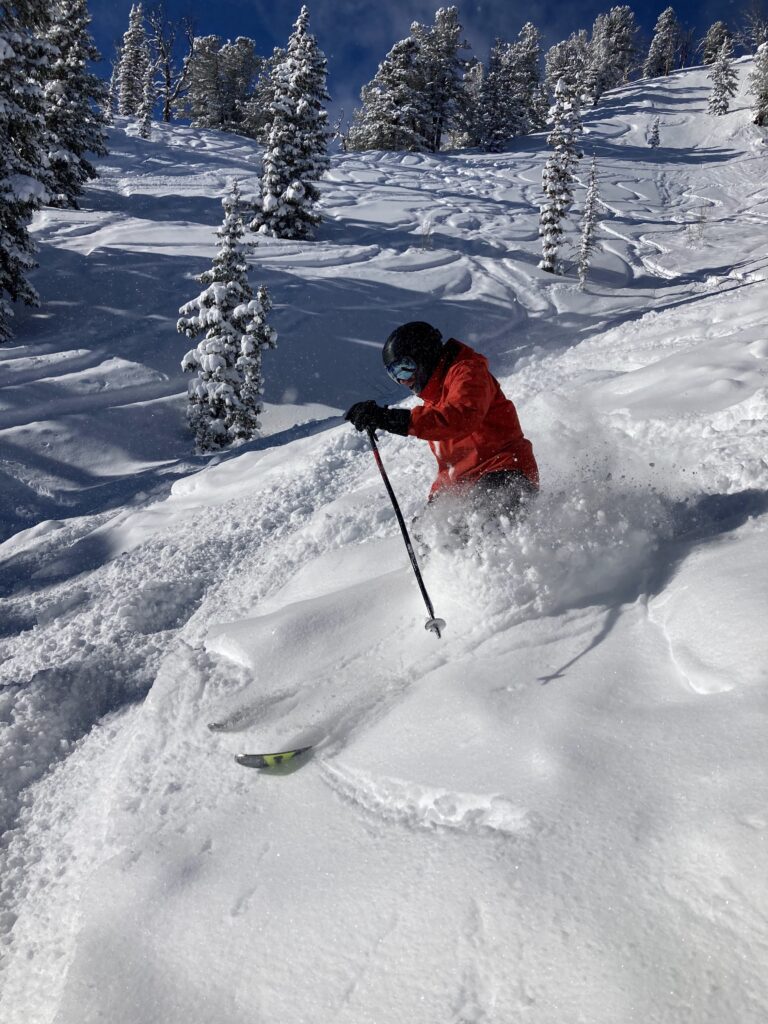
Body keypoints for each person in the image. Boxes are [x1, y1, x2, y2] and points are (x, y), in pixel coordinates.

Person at [345, 321, 539, 521]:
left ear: (425, 356)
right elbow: (451, 465)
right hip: (467, 487)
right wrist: (436, 503)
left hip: (502, 471)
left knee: (479, 523)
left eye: (405, 369)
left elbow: (460, 418)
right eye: (394, 375)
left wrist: (389, 418)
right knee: (431, 533)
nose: (403, 381)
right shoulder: (434, 397)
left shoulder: (468, 373)